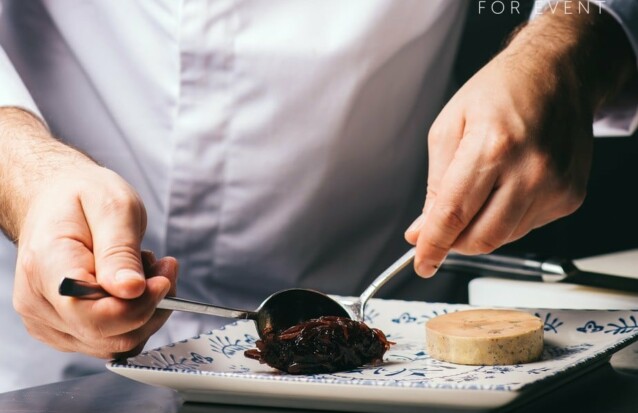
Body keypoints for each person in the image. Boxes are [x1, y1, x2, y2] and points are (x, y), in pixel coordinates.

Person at [0, 0, 636, 392]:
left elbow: (588, 13)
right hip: (43, 368)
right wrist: (27, 174)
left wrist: (570, 50)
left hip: (395, 347)